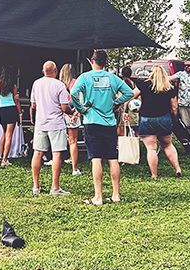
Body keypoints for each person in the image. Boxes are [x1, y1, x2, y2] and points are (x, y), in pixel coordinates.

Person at [70, 49, 135, 206]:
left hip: (91, 122)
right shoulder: (113, 78)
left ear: (92, 61)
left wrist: (81, 109)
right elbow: (129, 93)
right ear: (105, 62)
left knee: (96, 158)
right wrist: (115, 102)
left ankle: (98, 196)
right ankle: (116, 194)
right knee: (112, 158)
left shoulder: (85, 77)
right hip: (109, 123)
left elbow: (73, 93)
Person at [30, 61, 74, 196]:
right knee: (56, 154)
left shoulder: (36, 83)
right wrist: (72, 112)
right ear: (55, 71)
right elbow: (65, 107)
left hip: (41, 123)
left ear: (43, 71)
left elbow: (33, 105)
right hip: (56, 124)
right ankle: (55, 187)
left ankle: (36, 186)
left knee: (38, 153)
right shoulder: (59, 85)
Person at [134, 64, 182, 179]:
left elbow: (131, 95)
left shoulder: (144, 85)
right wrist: (174, 117)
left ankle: (154, 175)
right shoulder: (169, 87)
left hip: (147, 119)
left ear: (151, 73)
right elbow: (174, 106)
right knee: (168, 145)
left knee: (151, 148)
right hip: (164, 118)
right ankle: (177, 168)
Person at [0, 66, 21, 167]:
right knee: (9, 135)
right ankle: (5, 159)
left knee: (4, 133)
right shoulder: (13, 86)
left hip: (1, 109)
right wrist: (20, 113)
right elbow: (16, 100)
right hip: (11, 109)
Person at [59, 63, 82, 176]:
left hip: (61, 115)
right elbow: (80, 100)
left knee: (58, 140)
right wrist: (76, 113)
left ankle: (55, 161)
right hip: (73, 114)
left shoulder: (59, 84)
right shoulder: (76, 82)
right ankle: (74, 168)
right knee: (73, 141)